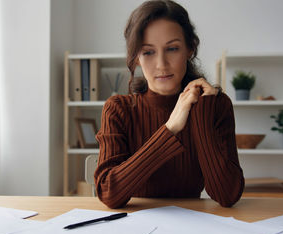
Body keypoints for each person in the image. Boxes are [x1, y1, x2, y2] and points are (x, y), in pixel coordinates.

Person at [94, 0, 244, 209]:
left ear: (190, 49)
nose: (161, 64)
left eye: (172, 48)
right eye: (148, 52)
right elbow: (109, 193)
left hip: (195, 224)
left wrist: (200, 112)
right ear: (136, 57)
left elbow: (227, 195)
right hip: (134, 227)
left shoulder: (216, 106)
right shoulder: (119, 109)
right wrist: (170, 128)